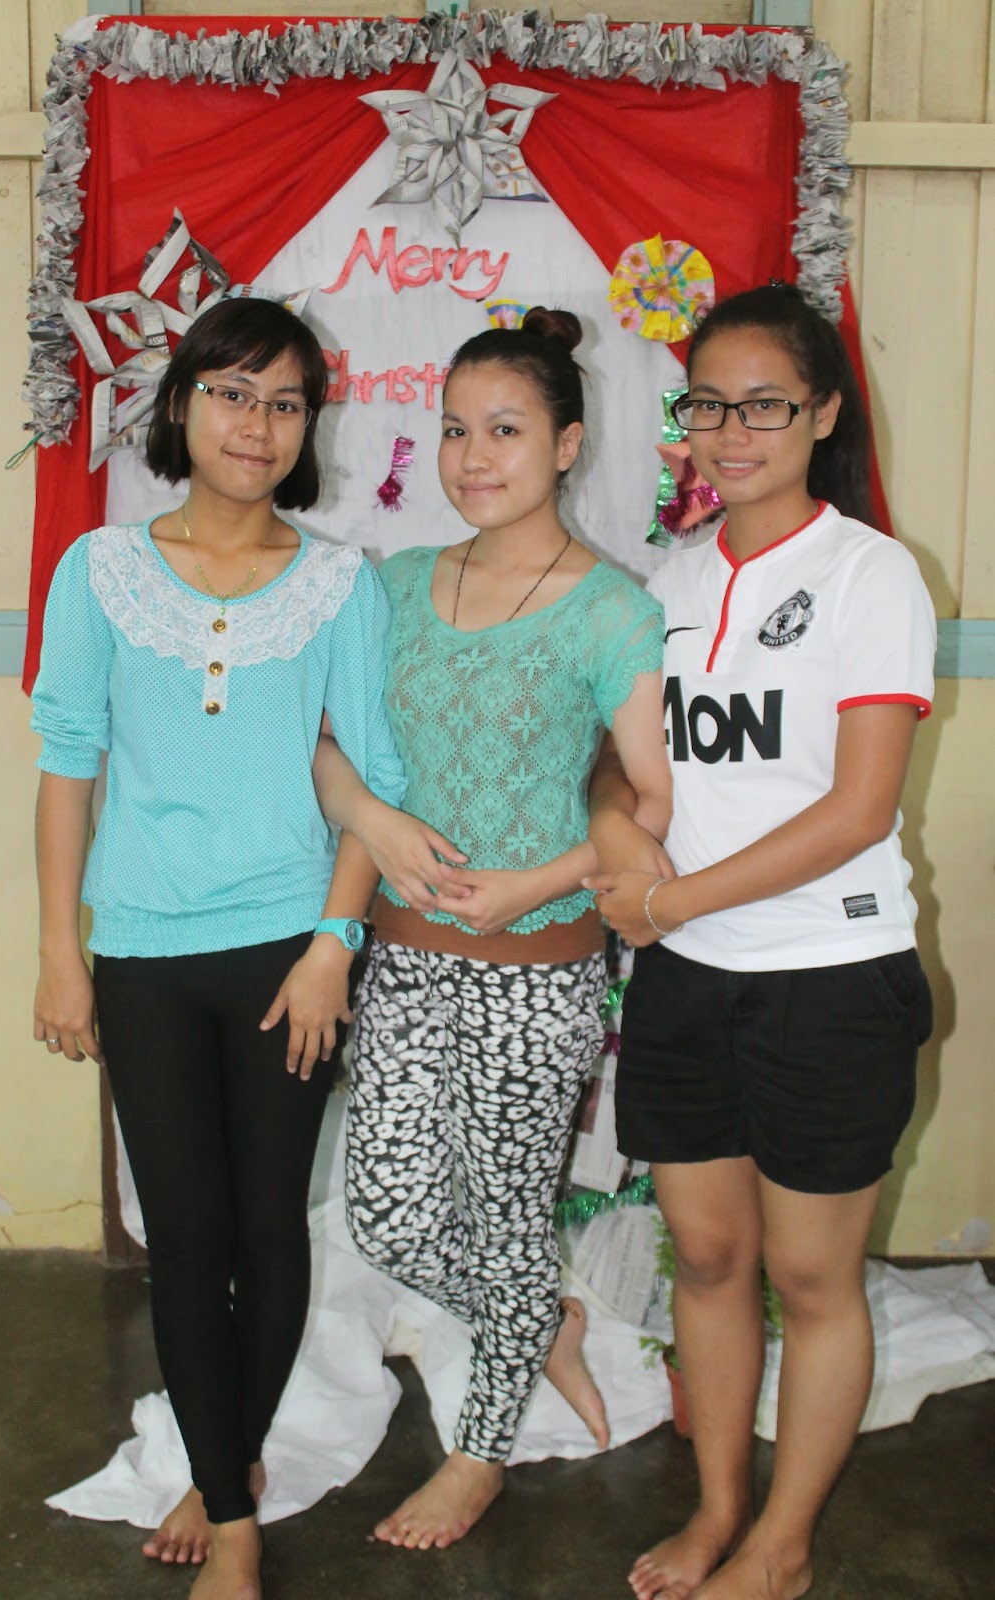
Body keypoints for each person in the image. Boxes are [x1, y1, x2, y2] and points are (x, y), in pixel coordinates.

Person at [30, 298, 404, 1600]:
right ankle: (231, 1491)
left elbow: (372, 778)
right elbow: (67, 766)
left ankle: (225, 1486)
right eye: (234, 393)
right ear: (183, 403)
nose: (258, 424)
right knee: (186, 1238)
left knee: (267, 1229)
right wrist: (62, 952)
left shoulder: (340, 584)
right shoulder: (99, 571)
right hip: (142, 953)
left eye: (285, 402)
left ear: (309, 428)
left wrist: (334, 943)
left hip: (287, 951)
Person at [585, 282, 936, 1600]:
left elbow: (856, 809)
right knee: (712, 1258)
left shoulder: (867, 573)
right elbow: (621, 764)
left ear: (823, 414)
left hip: (828, 979)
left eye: (764, 405)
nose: (730, 433)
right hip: (687, 986)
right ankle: (719, 1509)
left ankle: (781, 1548)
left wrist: (671, 902)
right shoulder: (668, 583)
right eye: (707, 406)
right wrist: (615, 832)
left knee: (809, 1272)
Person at [314, 308, 673, 1551]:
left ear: (567, 444)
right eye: (455, 428)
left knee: (510, 1211)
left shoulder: (613, 611)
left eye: (505, 430)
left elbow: (651, 802)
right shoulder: (393, 586)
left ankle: (478, 1454)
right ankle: (539, 1315)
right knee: (388, 1214)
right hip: (402, 958)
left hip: (538, 966)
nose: (473, 456)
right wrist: (373, 819)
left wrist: (537, 883)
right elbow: (330, 749)